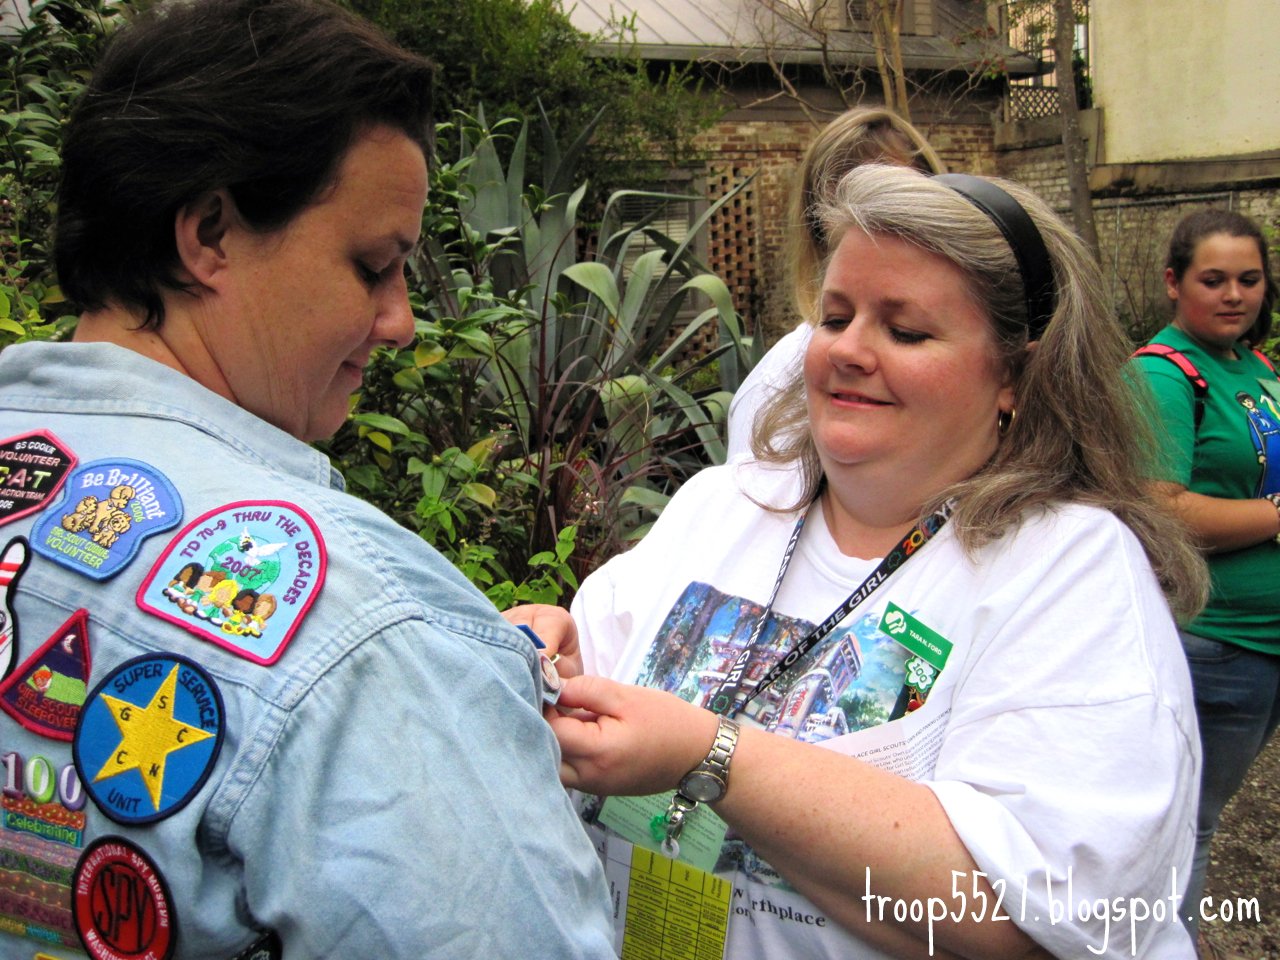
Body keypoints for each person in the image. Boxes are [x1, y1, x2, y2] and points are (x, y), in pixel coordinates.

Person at [0, 1, 612, 957]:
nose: (400, 322)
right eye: (373, 267)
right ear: (210, 233)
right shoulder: (360, 632)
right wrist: (422, 681)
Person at [509, 166, 1209, 959]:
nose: (847, 349)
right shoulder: (727, 504)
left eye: (904, 331)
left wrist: (713, 755)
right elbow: (599, 693)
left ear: (1016, 375)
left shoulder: (1069, 568)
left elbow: (1045, 922)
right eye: (835, 317)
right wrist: (553, 665)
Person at [1127, 208, 1280, 954]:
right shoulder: (1163, 374)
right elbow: (1163, 511)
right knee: (1185, 825)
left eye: (1249, 280)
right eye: (1213, 279)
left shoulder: (1256, 367)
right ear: (1173, 282)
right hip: (1214, 641)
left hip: (1265, 646)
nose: (1234, 295)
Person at [725, 107, 945, 459]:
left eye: (897, 198)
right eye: (849, 203)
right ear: (820, 226)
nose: (874, 223)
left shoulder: (977, 346)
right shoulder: (781, 381)